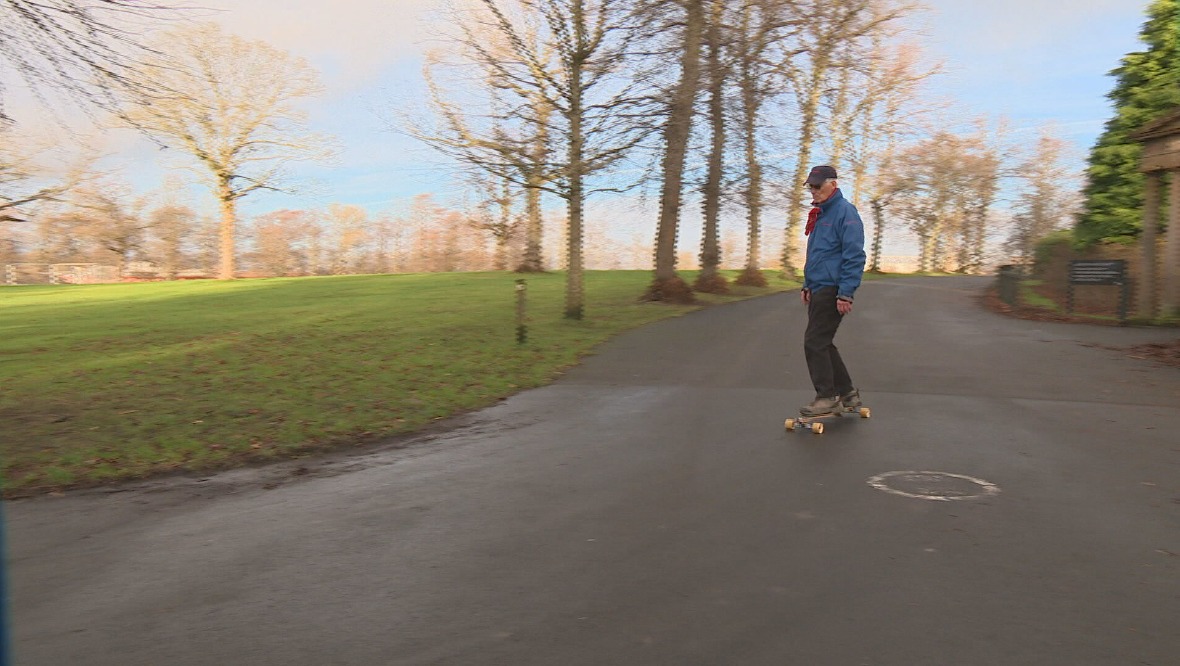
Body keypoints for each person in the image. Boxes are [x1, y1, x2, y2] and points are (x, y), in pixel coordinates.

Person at [798, 165, 866, 416]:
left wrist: (845, 293)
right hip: (819, 287)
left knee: (814, 342)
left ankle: (826, 396)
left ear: (833, 185)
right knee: (823, 342)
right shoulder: (821, 214)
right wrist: (808, 284)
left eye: (818, 186)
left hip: (833, 288)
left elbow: (854, 255)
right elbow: (817, 254)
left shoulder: (845, 213)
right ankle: (847, 392)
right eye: (811, 186)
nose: (813, 191)